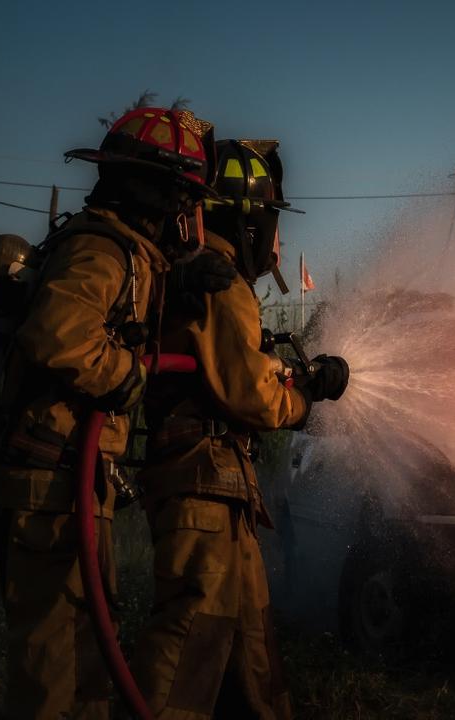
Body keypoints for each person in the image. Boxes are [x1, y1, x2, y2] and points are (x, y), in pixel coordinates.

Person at [0, 107, 219, 720]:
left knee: (82, 647)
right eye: (181, 196)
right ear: (153, 189)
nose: (184, 215)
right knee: (56, 664)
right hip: (48, 483)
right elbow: (60, 337)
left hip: (55, 481)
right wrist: (129, 376)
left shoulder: (113, 247)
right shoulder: (104, 250)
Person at [133, 139, 350, 719]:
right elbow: (250, 396)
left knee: (251, 647)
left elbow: (234, 369)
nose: (277, 246)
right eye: (273, 224)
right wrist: (308, 395)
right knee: (190, 641)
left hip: (221, 484)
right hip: (201, 482)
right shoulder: (222, 284)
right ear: (251, 219)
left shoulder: (202, 276)